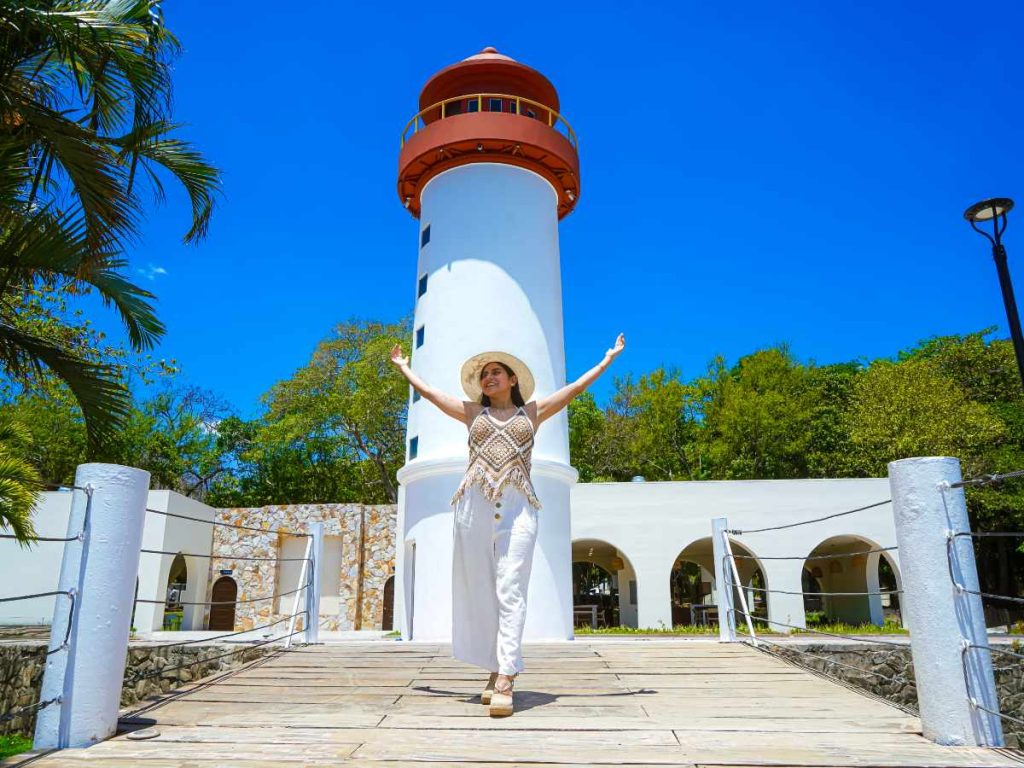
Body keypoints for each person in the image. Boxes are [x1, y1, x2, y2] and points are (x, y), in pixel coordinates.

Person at [389, 334, 625, 716]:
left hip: (519, 506)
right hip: (473, 507)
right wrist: (404, 368)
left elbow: (575, 388)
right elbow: (431, 394)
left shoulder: (532, 413)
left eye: (496, 372)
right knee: (480, 591)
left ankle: (506, 679)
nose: (488, 377)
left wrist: (607, 358)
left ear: (513, 379)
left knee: (511, 588)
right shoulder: (472, 414)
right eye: (484, 374)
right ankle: (493, 668)